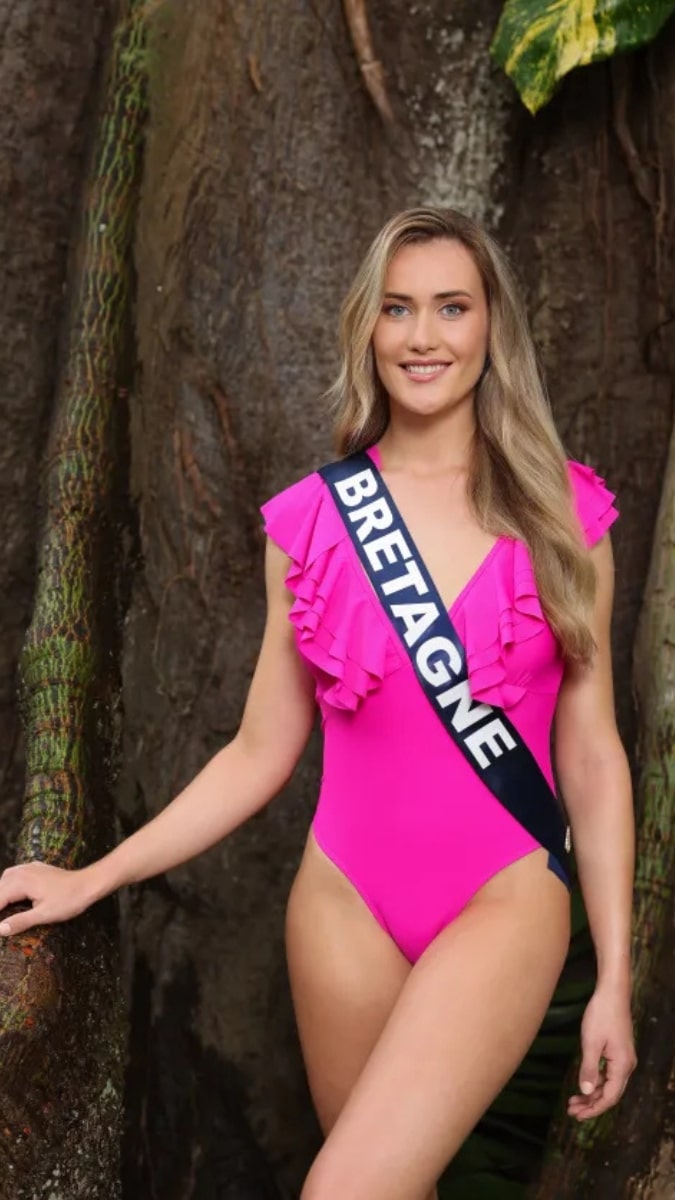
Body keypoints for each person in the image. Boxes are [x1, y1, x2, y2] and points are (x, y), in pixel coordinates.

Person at [0, 207, 637, 1200]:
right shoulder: (312, 522)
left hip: (505, 895)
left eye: (451, 308)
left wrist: (615, 984)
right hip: (342, 904)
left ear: (491, 327)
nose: (422, 336)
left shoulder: (564, 518)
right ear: (368, 328)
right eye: (397, 308)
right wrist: (93, 879)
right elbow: (259, 753)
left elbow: (592, 758)